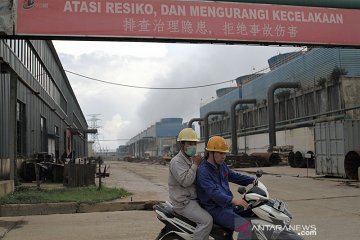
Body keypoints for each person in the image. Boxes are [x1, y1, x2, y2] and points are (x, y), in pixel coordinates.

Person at [196, 136, 255, 240]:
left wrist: (251, 180)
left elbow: (233, 175)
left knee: (253, 212)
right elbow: (213, 193)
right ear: (210, 152)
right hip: (215, 209)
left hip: (227, 206)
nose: (223, 156)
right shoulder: (203, 171)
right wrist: (233, 200)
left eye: (225, 153)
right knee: (246, 228)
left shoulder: (221, 165)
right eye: (220, 153)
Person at [168, 128, 213, 240]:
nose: (193, 146)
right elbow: (186, 182)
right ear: (182, 144)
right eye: (189, 143)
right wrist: (195, 165)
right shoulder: (177, 161)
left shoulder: (190, 159)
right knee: (206, 221)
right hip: (183, 203)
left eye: (194, 143)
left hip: (194, 200)